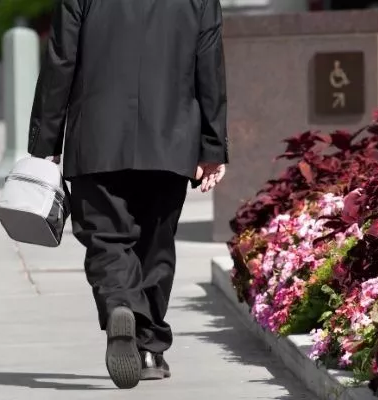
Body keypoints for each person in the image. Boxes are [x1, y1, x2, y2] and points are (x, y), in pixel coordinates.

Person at [26, 0, 228, 390]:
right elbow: (210, 65)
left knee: (105, 239)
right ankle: (150, 349)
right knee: (156, 242)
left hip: (98, 137)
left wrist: (45, 141)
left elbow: (61, 62)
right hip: (171, 137)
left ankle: (120, 304)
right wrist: (213, 146)